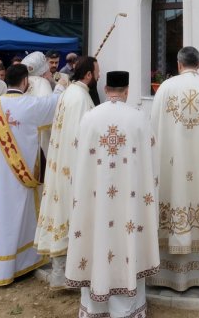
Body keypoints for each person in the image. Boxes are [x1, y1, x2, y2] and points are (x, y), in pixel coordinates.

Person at [65, 71, 160, 318]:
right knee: (127, 244)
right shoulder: (139, 118)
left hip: (96, 202)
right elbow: (152, 164)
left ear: (106, 89)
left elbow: (78, 160)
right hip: (130, 203)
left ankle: (95, 307)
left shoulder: (89, 118)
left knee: (98, 243)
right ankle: (127, 310)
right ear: (127, 90)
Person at [0, 63, 62, 285]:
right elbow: (56, 103)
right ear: (26, 82)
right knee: (19, 218)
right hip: (20, 177)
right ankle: (18, 263)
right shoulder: (31, 105)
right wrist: (62, 85)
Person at [149, 46, 199, 291]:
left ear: (179, 64)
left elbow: (153, 130)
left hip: (173, 168)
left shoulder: (165, 89)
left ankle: (168, 274)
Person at [36, 54, 99, 287]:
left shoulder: (70, 93)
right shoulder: (80, 98)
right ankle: (70, 273)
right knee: (72, 216)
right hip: (73, 167)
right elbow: (82, 136)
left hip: (62, 164)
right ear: (89, 74)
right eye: (97, 71)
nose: (100, 75)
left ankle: (62, 272)